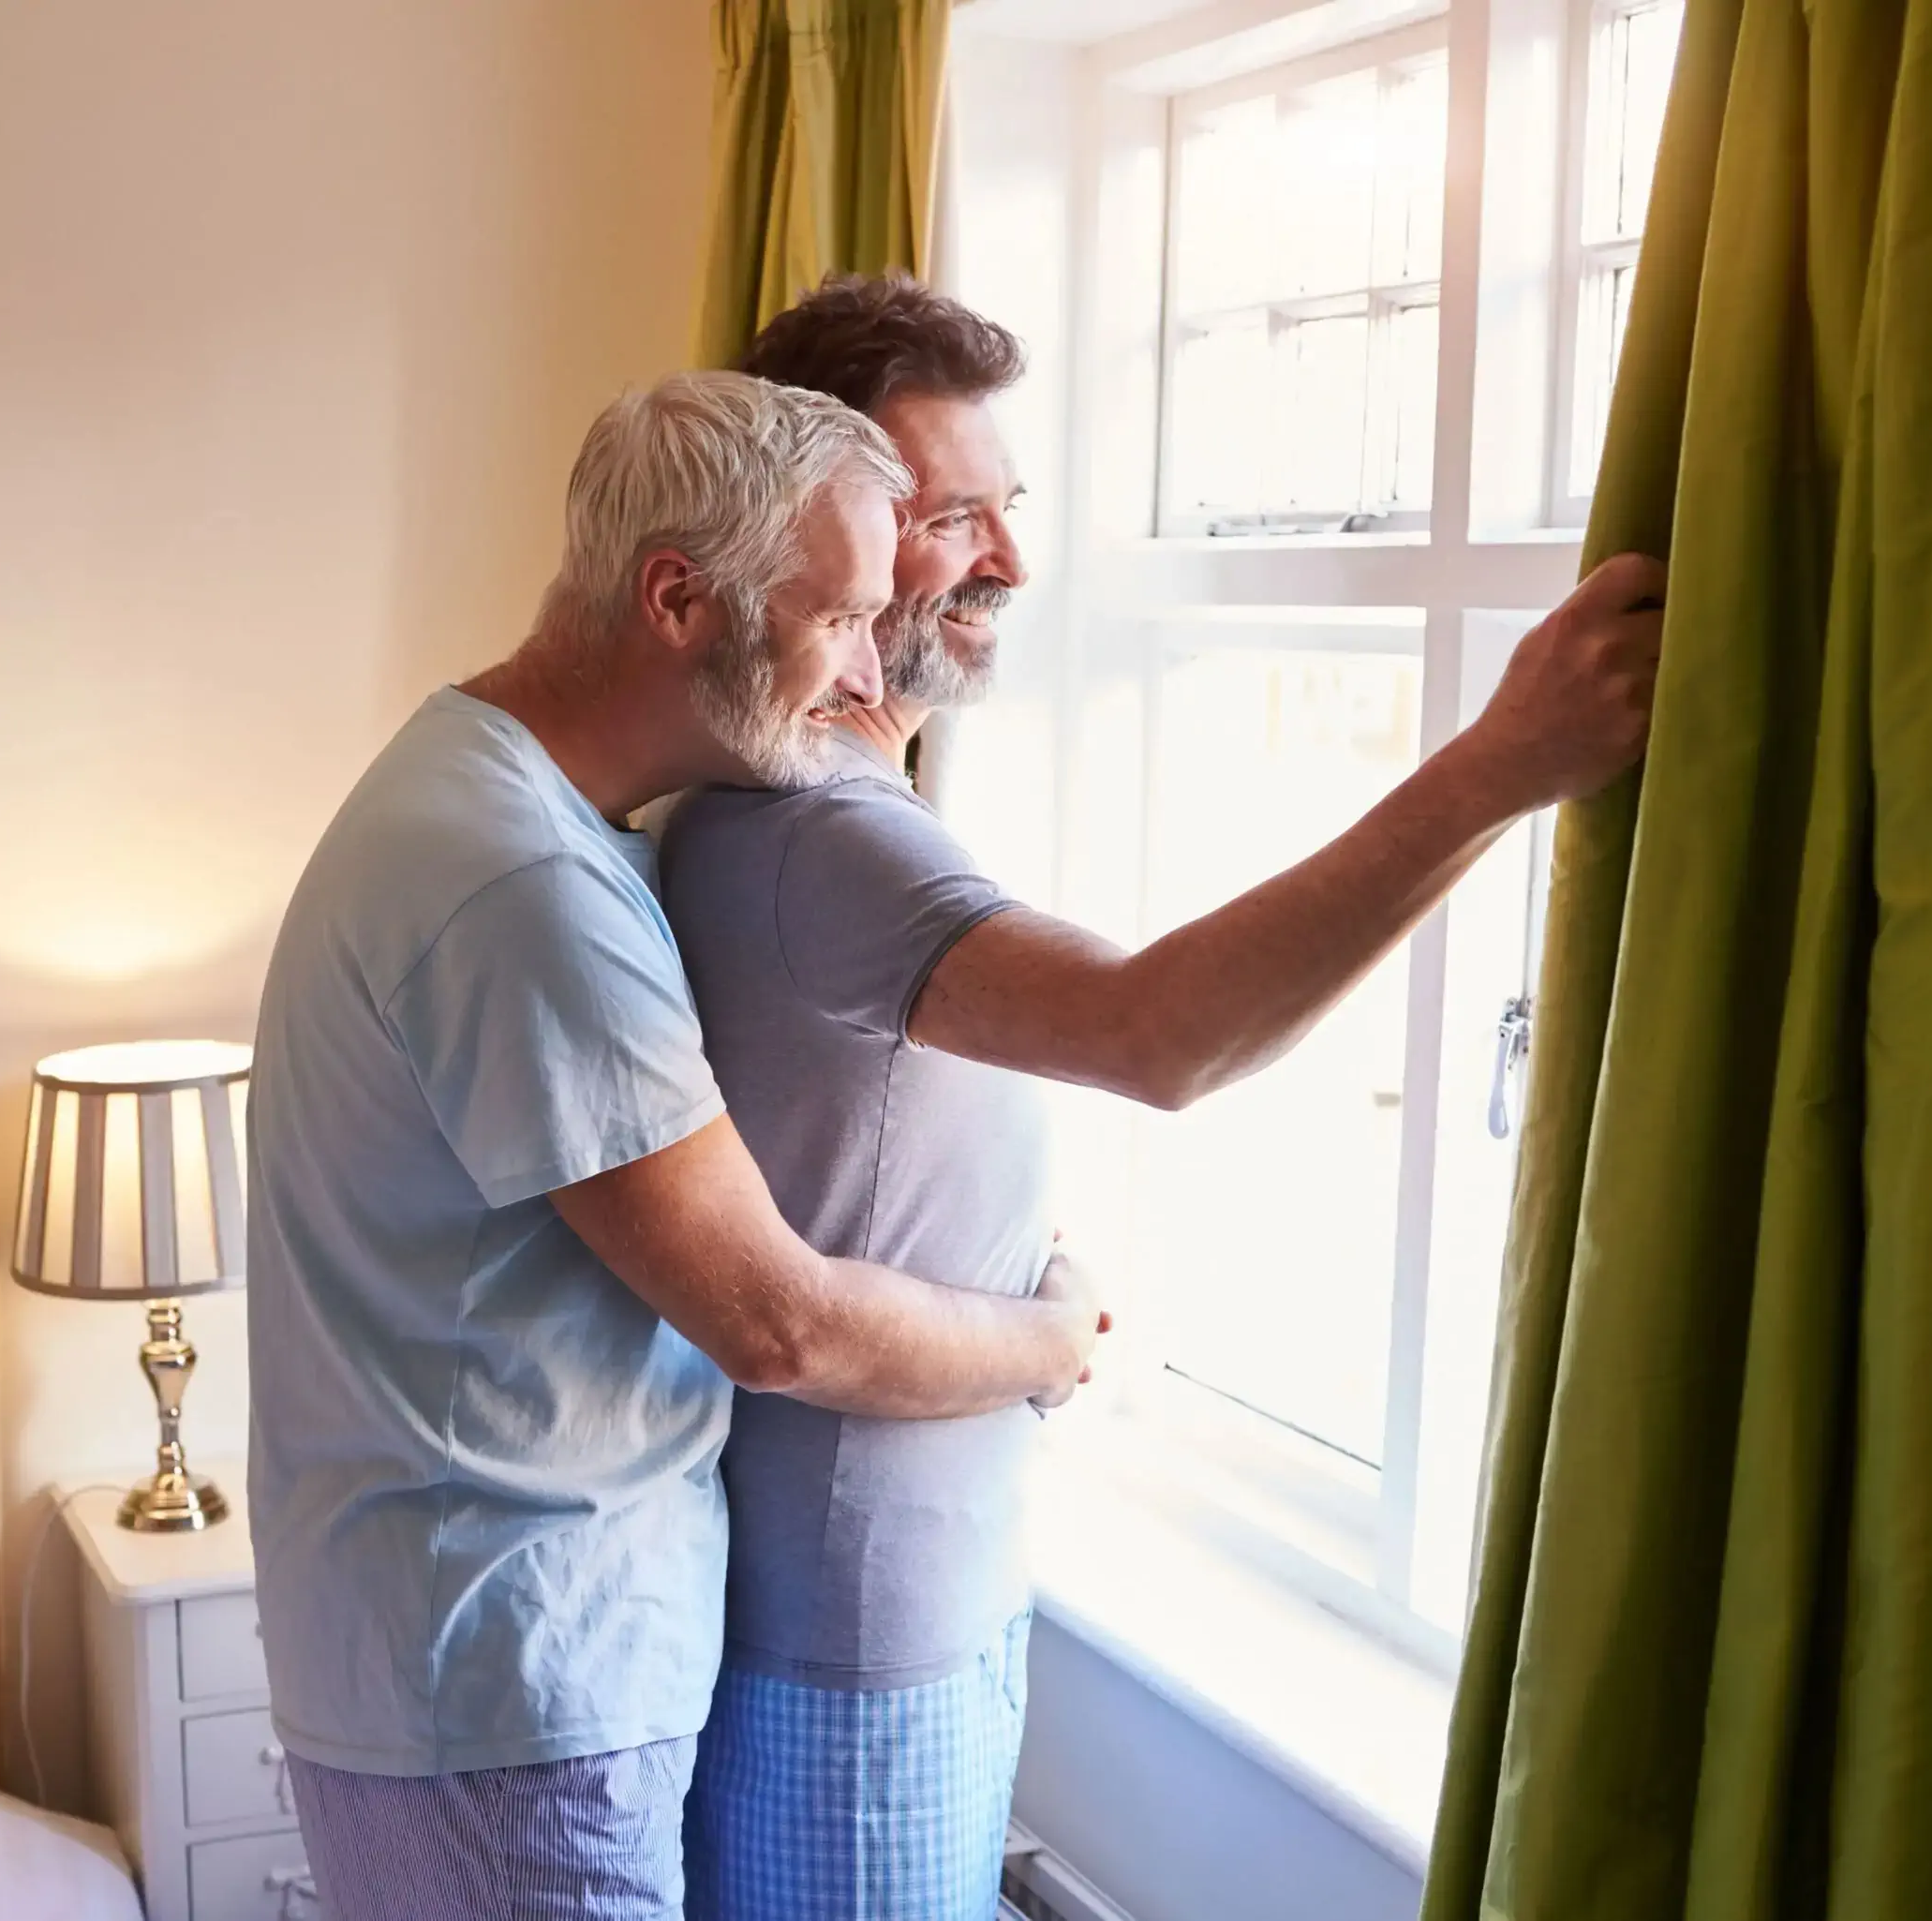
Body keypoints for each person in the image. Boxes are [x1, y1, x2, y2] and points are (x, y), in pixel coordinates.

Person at [660, 275, 1664, 1921]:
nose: (1011, 561)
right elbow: (1163, 1033)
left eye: (1013, 507)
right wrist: (1499, 767)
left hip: (896, 1597)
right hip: (854, 1633)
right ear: (814, 524)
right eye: (952, 515)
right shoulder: (817, 833)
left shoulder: (812, 797)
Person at [245, 369, 1107, 1921]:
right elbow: (773, 1320)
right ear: (676, 599)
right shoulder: (521, 887)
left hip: (473, 1660)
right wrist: (1044, 1342)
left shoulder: (476, 784)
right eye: (840, 616)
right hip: (509, 1685)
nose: (863, 674)